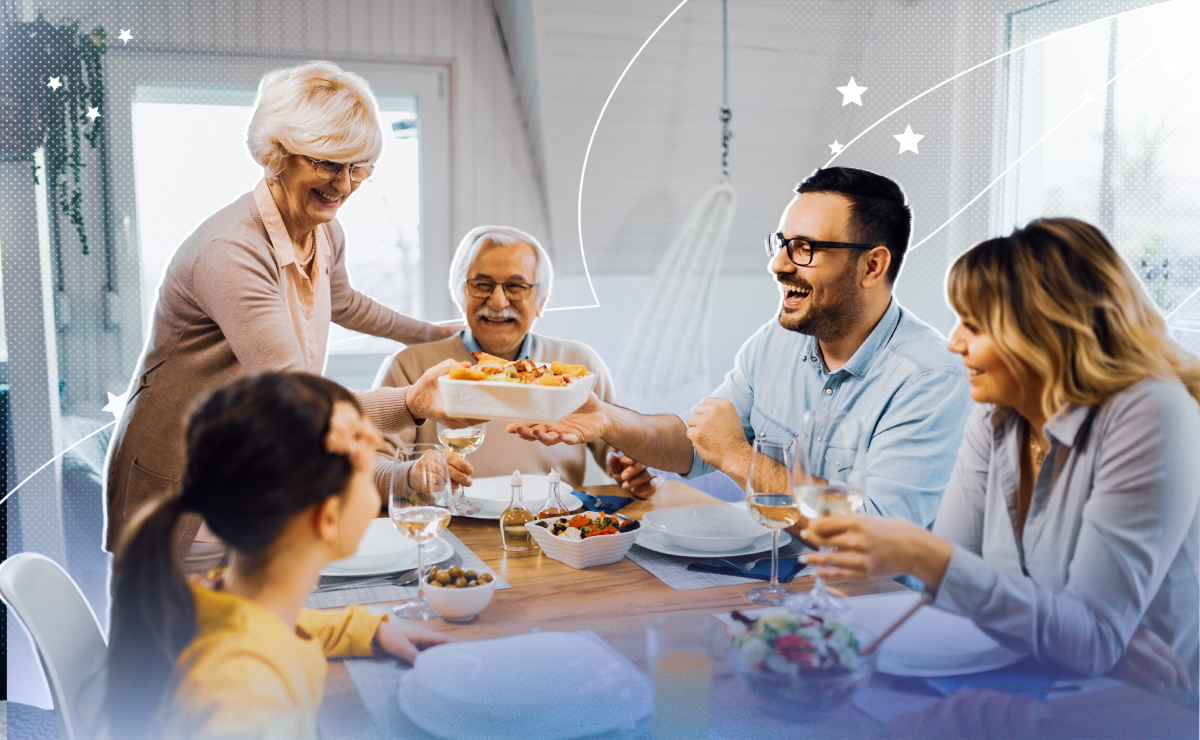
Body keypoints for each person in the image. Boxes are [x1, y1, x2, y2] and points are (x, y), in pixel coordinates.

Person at [802, 218, 1200, 694]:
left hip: (1140, 706)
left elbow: (1089, 638)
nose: (954, 343)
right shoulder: (999, 411)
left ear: (1047, 331)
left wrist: (928, 556)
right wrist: (1069, 636)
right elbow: (956, 597)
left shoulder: (1151, 411)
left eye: (974, 324)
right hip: (1033, 680)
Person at [104, 61, 471, 572]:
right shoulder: (229, 251)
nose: (344, 184)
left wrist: (431, 333)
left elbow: (345, 303)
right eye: (328, 163)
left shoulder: (323, 231)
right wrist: (411, 401)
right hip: (188, 494)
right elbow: (297, 401)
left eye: (358, 166)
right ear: (276, 154)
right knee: (185, 648)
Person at [510, 167, 973, 530]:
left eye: (804, 248)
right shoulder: (775, 341)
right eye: (781, 244)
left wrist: (737, 457)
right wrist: (608, 420)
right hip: (768, 583)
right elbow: (694, 447)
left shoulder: (929, 378)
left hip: (871, 613)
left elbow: (871, 538)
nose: (777, 264)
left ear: (872, 266)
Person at [106, 373, 451, 739]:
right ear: (327, 517)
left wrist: (369, 631)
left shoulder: (228, 600)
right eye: (367, 471)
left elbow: (283, 623)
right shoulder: (247, 698)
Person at [374, 226, 656, 498]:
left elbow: (618, 447)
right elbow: (367, 466)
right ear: (461, 294)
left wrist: (633, 468)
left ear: (541, 301)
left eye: (516, 286)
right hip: (450, 534)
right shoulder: (409, 366)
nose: (497, 302)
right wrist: (411, 475)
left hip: (554, 532)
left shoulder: (579, 364)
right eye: (482, 285)